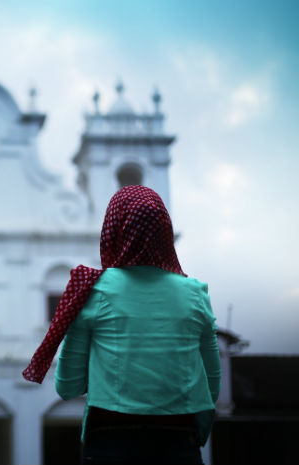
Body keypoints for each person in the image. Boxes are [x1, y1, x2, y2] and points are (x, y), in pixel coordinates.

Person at [22, 185, 221, 465]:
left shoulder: (93, 290)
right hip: (179, 442)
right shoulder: (195, 293)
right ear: (164, 232)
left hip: (109, 443)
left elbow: (68, 386)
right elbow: (211, 387)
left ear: (112, 230)